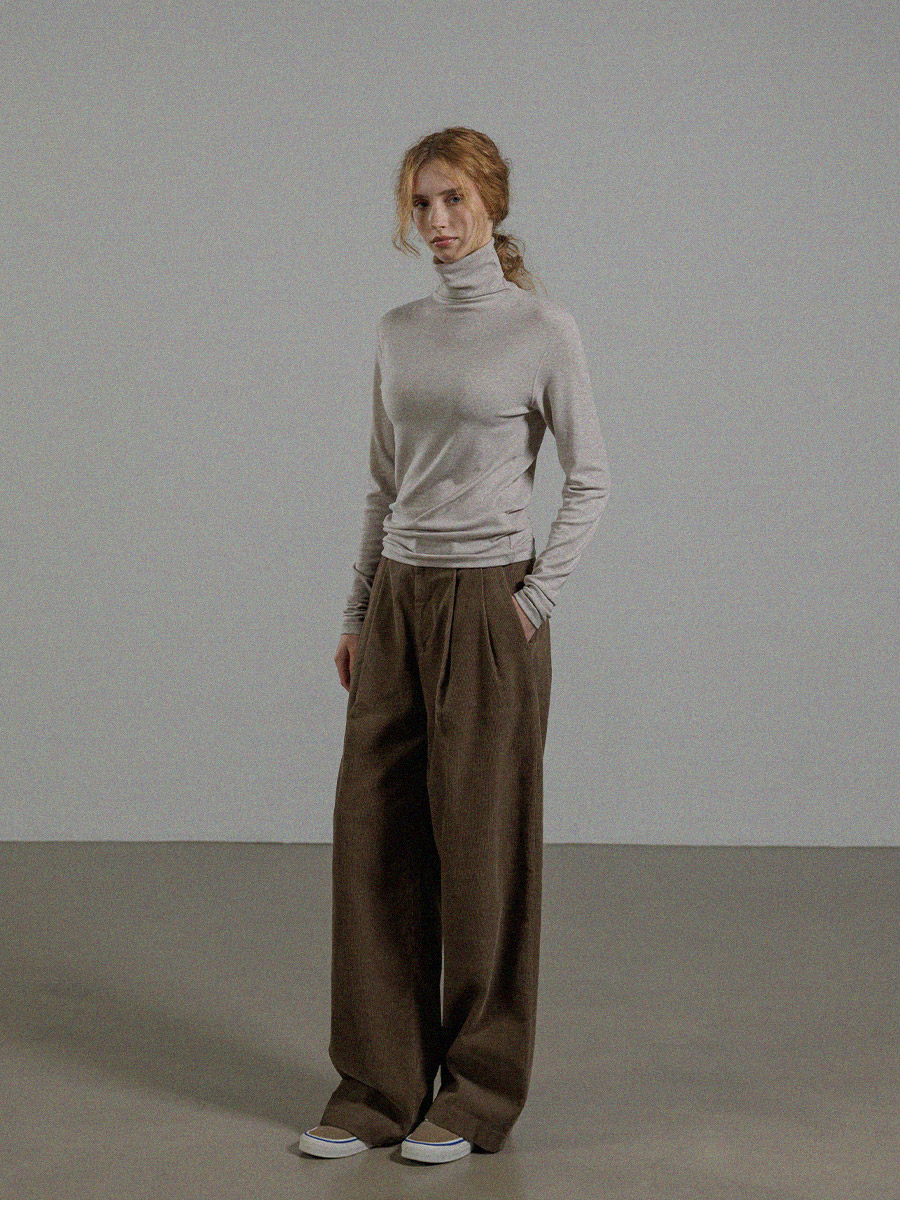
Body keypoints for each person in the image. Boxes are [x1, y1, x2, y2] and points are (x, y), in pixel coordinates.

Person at [298, 126, 611, 1164]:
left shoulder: (542, 329)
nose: (437, 220)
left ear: (491, 205)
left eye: (454, 200)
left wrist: (533, 600)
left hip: (488, 604)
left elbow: (591, 477)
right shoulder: (397, 332)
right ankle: (377, 1085)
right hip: (398, 597)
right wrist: (357, 612)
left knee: (482, 851)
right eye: (422, 203)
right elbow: (383, 484)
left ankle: (475, 1093)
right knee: (375, 838)